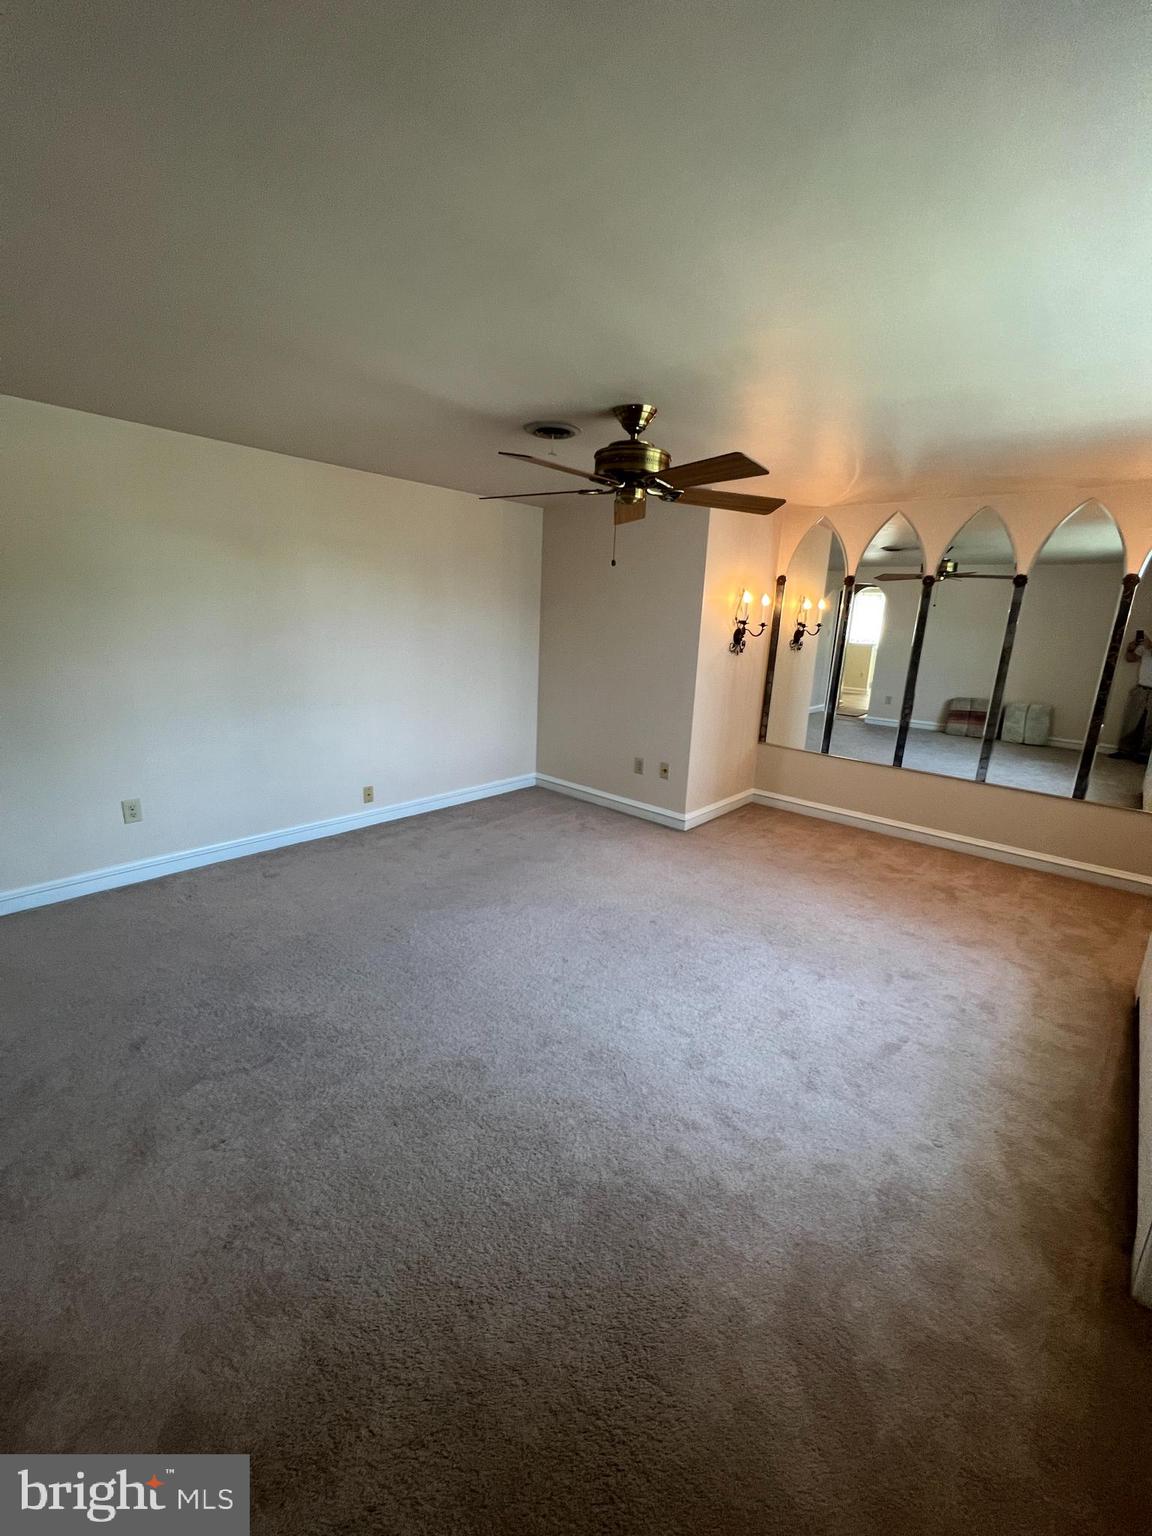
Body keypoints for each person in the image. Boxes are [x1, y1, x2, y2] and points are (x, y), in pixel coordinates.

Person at [1112, 629, 1152, 761]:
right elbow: (1130, 659)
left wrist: (1150, 646)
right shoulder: (1145, 647)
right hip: (1141, 688)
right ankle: (1124, 750)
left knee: (1150, 725)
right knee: (1131, 721)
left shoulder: (1149, 646)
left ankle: (1144, 755)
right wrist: (1130, 649)